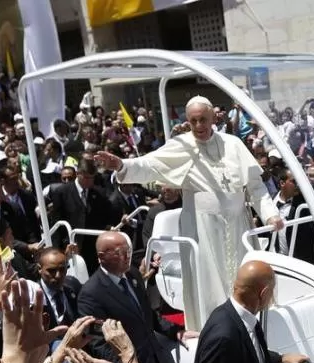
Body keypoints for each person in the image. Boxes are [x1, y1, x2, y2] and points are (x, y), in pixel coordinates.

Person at [95, 96, 280, 323]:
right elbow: (149, 165)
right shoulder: (182, 146)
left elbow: (255, 186)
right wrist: (121, 165)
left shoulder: (233, 144)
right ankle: (215, 330)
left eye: (203, 119)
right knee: (210, 289)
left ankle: (253, 326)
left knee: (245, 280)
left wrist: (271, 214)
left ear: (213, 118)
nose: (199, 126)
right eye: (193, 121)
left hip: (238, 226)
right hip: (203, 231)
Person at [77, 232, 189, 363]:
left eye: (128, 251)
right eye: (120, 253)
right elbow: (99, 344)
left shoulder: (133, 275)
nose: (127, 256)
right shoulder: (90, 294)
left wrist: (175, 331)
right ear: (102, 257)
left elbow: (147, 314)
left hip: (156, 360)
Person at [192, 260, 308, 363]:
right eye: (272, 291)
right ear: (264, 292)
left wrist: (280, 358)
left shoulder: (243, 318)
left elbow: (247, 353)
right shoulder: (223, 336)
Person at [36, 247, 81, 327]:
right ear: (40, 269)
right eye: (51, 271)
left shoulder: (73, 285)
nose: (58, 275)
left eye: (62, 269)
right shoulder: (34, 298)